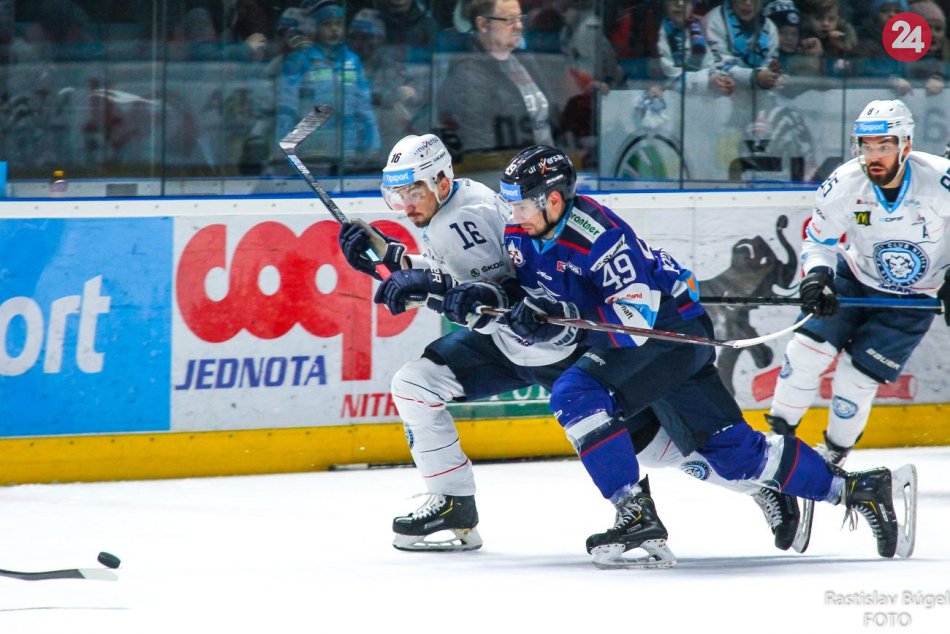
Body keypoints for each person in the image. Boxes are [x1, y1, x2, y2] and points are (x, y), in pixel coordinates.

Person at [337, 134, 801, 557]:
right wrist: (387, 258)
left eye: (413, 191)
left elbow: (488, 303)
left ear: (441, 180)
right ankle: (453, 501)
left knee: (656, 448)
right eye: (397, 195)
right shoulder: (450, 209)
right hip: (508, 345)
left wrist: (417, 281)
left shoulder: (465, 218)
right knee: (416, 385)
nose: (405, 204)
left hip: (552, 348)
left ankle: (761, 481)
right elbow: (460, 283)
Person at [480, 143, 915, 566]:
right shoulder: (522, 231)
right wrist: (487, 297)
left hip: (668, 333)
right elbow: (526, 288)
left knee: (576, 393)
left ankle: (634, 512)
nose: (514, 215)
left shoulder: (600, 238)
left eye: (522, 205)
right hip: (650, 339)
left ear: (554, 200)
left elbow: (634, 318)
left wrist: (559, 317)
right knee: (734, 452)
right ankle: (857, 489)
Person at [767, 99, 950, 469]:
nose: (874, 156)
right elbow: (818, 241)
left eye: (884, 146)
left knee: (855, 381)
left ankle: (832, 459)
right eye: (867, 146)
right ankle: (776, 450)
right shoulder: (844, 183)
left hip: (914, 299)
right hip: (854, 280)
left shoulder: (939, 180)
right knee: (805, 353)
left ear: (906, 144)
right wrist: (817, 275)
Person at [436, 0, 562, 155]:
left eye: (520, 19)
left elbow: (552, 118)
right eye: (510, 20)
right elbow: (478, 145)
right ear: (483, 25)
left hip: (546, 162)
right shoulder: (467, 75)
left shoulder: (525, 60)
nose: (519, 26)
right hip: (510, 167)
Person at [703, 0, 782, 90]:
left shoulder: (770, 27)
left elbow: (768, 67)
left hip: (759, 95)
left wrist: (771, 76)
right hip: (719, 95)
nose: (748, 3)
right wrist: (755, 76)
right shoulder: (713, 21)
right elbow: (717, 67)